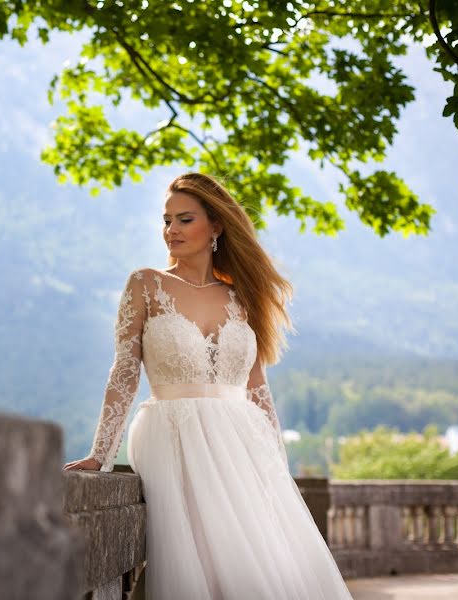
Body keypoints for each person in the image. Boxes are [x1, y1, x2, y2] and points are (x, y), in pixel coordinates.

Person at [63, 173, 353, 599]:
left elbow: (257, 388)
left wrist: (276, 463)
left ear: (215, 227)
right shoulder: (145, 284)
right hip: (171, 431)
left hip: (242, 440)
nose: (171, 230)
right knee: (197, 557)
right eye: (166, 221)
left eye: (184, 219)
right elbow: (124, 373)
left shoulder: (244, 297)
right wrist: (100, 454)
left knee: (257, 562)